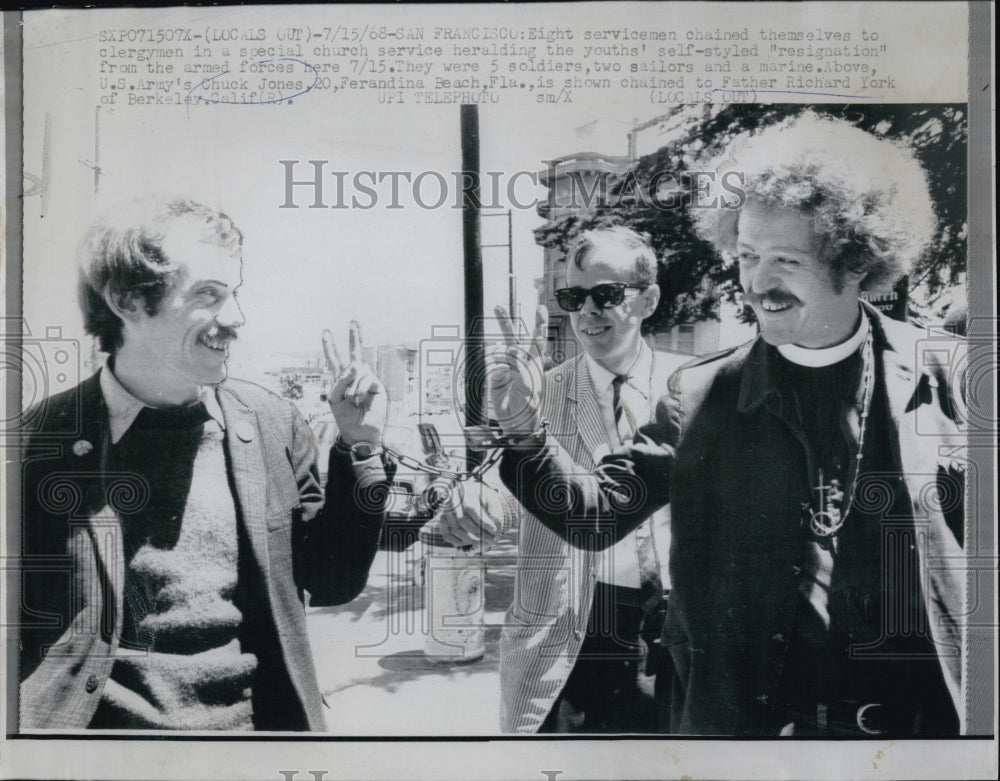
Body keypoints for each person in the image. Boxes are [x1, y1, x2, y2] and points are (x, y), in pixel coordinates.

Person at [492, 113, 966, 736]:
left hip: (924, 735)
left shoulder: (950, 376)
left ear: (853, 260)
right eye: (746, 256)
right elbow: (595, 515)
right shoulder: (697, 394)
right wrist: (527, 435)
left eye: (785, 260)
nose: (758, 283)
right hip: (752, 741)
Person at [18, 197, 391, 731]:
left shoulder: (271, 423)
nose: (237, 319)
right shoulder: (38, 441)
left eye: (234, 294)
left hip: (254, 742)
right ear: (128, 301)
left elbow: (331, 582)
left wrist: (361, 448)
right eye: (209, 296)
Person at [439, 227, 688, 733]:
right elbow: (500, 491)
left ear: (649, 299)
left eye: (607, 294)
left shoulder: (697, 389)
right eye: (573, 297)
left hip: (674, 635)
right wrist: (470, 499)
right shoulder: (535, 392)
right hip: (566, 640)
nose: (587, 311)